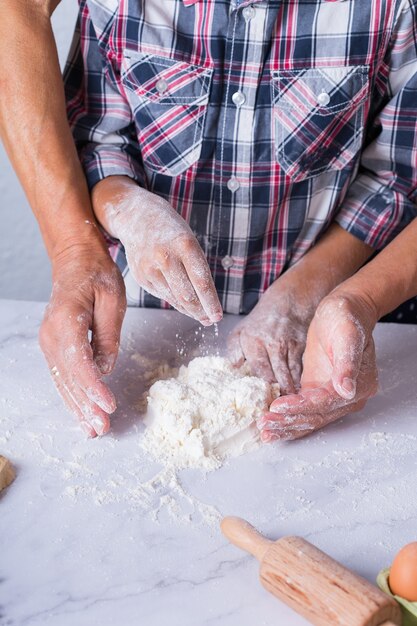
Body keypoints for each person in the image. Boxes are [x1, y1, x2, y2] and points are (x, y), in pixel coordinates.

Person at [1, 0, 416, 439]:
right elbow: (98, 140)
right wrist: (128, 211)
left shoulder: (389, 11)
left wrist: (311, 293)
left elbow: (394, 178)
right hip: (148, 324)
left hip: (315, 330)